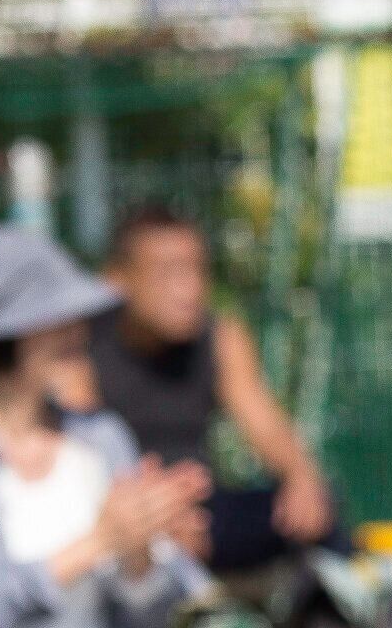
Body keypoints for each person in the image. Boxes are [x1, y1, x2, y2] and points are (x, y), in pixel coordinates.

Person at [0, 227, 215, 628]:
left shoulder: (100, 440)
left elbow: (158, 617)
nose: (75, 334)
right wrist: (93, 547)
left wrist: (147, 553)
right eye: (53, 322)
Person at [90, 205, 334, 572]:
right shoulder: (81, 346)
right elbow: (79, 453)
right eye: (167, 273)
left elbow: (262, 420)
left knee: (315, 512)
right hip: (118, 519)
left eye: (197, 269)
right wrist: (156, 519)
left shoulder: (220, 337)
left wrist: (299, 474)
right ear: (118, 279)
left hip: (203, 515)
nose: (189, 288)